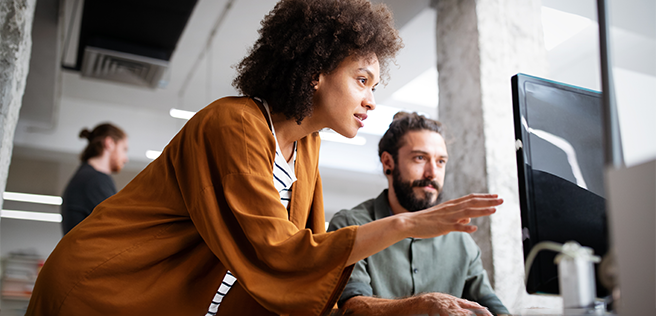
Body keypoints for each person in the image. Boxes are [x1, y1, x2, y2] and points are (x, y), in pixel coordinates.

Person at [26, 1, 502, 315]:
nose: (371, 100)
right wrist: (404, 226)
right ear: (316, 72)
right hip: (103, 290)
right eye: (361, 80)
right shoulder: (233, 124)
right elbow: (279, 254)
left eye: (374, 87)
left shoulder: (307, 146)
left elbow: (301, 262)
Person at [328, 112, 510, 316]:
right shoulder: (350, 226)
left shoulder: (461, 242)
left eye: (441, 161)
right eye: (420, 158)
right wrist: (424, 303)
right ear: (388, 162)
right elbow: (352, 308)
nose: (432, 173)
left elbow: (492, 307)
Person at [60, 123, 129, 235]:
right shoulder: (95, 179)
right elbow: (117, 227)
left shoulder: (87, 176)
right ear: (110, 143)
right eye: (124, 149)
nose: (126, 159)